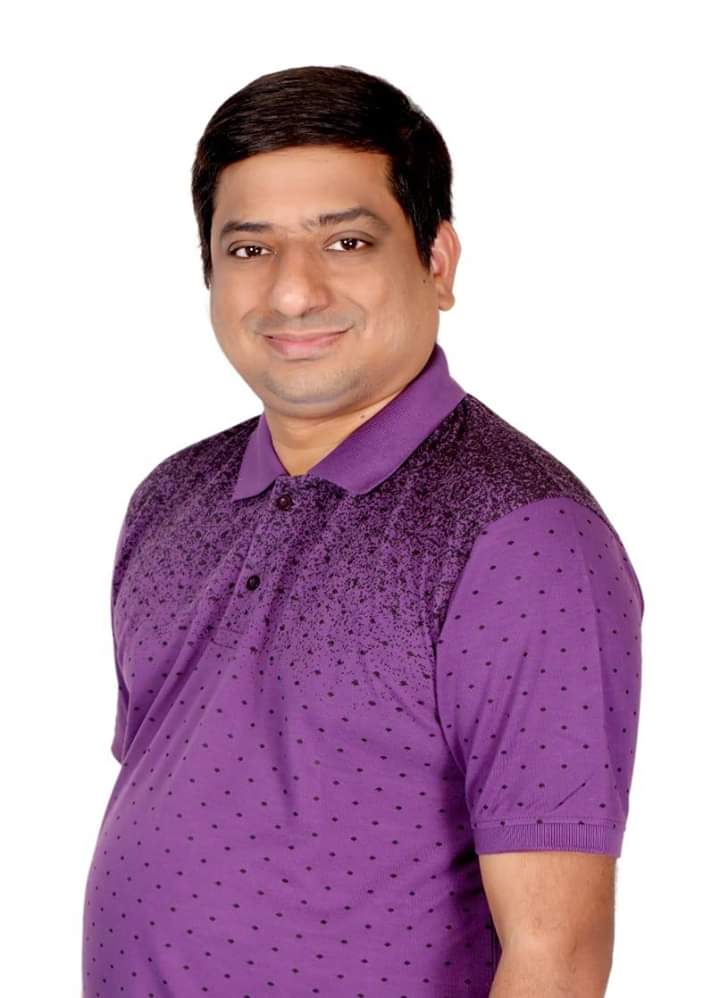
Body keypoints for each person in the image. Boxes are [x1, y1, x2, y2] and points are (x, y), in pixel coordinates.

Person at [82, 64, 643, 997]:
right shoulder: (171, 499)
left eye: (345, 241)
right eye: (250, 249)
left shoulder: (524, 537)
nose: (292, 294)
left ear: (437, 262)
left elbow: (559, 957)